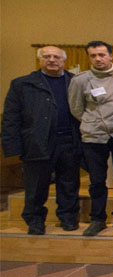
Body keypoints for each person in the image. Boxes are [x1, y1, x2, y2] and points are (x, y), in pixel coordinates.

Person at [1, 46, 82, 235]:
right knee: (36, 186)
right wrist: (13, 148)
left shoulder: (74, 82)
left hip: (69, 141)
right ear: (39, 60)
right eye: (47, 57)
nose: (52, 60)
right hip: (37, 142)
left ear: (64, 60)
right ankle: (35, 220)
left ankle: (68, 217)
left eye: (56, 57)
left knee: (69, 184)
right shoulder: (23, 85)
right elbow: (10, 119)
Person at [68, 40, 113, 236]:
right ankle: (98, 218)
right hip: (94, 136)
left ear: (110, 56)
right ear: (89, 57)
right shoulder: (80, 81)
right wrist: (92, 123)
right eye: (93, 55)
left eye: (102, 55)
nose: (98, 59)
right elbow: (76, 108)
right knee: (97, 180)